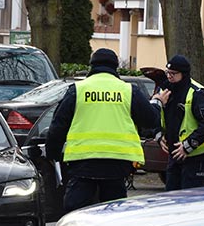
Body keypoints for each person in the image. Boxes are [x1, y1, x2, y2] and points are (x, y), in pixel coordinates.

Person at [41, 48, 159, 214]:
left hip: (83, 163)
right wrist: (156, 102)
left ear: (92, 65)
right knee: (113, 213)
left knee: (75, 212)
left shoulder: (78, 90)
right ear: (115, 66)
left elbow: (58, 126)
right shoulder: (127, 90)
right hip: (117, 163)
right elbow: (151, 120)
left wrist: (52, 154)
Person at [156, 54, 204, 191]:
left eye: (173, 73)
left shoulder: (197, 93)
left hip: (196, 155)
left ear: (183, 74)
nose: (169, 76)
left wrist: (188, 145)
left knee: (191, 196)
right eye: (167, 72)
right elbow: (156, 117)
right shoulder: (165, 90)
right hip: (175, 153)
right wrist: (158, 134)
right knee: (171, 194)